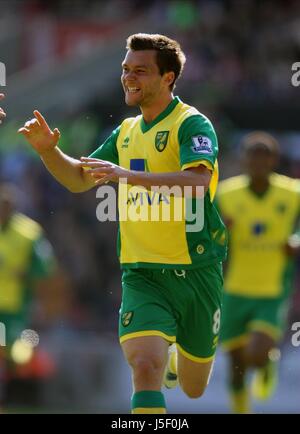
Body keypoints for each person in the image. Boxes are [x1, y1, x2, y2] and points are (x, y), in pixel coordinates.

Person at [18, 33, 227, 414]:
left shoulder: (192, 124)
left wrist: (125, 175)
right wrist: (50, 151)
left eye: (141, 71)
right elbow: (80, 179)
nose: (129, 78)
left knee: (195, 389)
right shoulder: (125, 132)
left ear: (168, 78)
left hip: (197, 271)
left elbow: (197, 184)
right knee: (145, 366)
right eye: (125, 70)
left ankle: (179, 351)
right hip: (142, 274)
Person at [217, 132, 300, 414]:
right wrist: (221, 231)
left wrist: (296, 240)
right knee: (235, 366)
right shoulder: (227, 194)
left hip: (271, 290)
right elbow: (210, 235)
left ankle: (266, 364)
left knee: (254, 354)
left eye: (263, 158)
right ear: (244, 160)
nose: (257, 164)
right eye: (252, 158)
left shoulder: (292, 193)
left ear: (273, 161)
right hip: (235, 288)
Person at [0, 183, 57, 410]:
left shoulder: (29, 232)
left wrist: (23, 273)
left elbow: (45, 267)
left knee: (16, 355)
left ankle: (21, 397)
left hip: (15, 306)